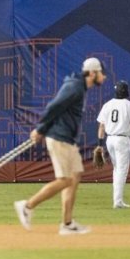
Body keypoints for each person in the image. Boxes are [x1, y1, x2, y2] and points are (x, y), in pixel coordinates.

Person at [14, 57, 107, 235]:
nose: (104, 77)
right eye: (102, 73)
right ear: (93, 73)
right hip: (59, 138)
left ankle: (67, 224)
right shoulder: (74, 87)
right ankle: (27, 206)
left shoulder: (80, 88)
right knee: (64, 180)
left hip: (68, 140)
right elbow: (54, 106)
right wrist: (40, 129)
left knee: (75, 176)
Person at [96, 80, 130, 209]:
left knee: (117, 169)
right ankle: (117, 201)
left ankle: (118, 200)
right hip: (122, 140)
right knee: (122, 171)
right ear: (126, 91)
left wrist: (100, 145)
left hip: (110, 139)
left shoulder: (107, 104)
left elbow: (101, 126)